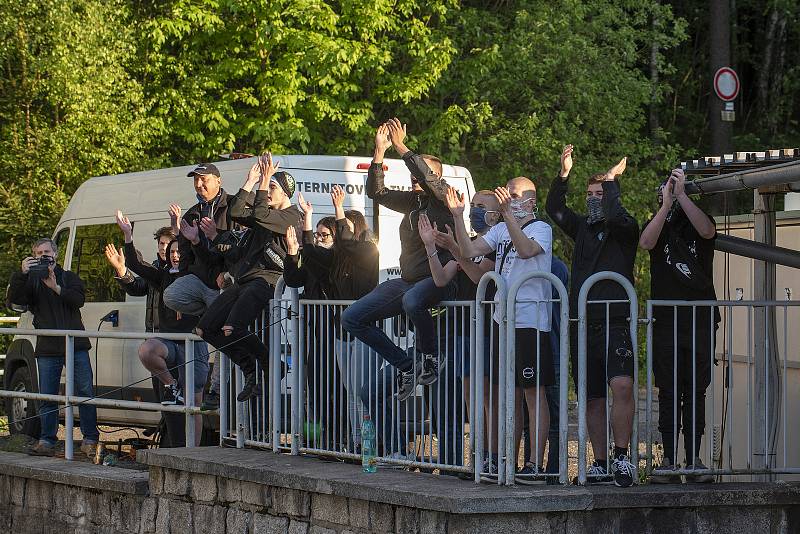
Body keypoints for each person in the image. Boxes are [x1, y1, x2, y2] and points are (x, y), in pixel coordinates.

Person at [448, 178, 554, 484]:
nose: (509, 198)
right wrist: (456, 216)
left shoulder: (540, 229)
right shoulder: (501, 229)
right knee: (512, 393)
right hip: (501, 320)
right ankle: (508, 459)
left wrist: (507, 216)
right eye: (507, 192)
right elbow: (468, 250)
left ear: (531, 202)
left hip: (529, 321)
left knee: (533, 394)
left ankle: (535, 463)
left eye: (516, 195)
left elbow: (525, 250)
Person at [545, 144, 639, 487]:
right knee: (592, 395)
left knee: (623, 385)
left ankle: (622, 457)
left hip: (615, 322)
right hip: (583, 324)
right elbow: (554, 209)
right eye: (590, 194)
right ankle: (599, 462)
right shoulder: (583, 227)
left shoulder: (625, 226)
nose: (594, 199)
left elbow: (615, 216)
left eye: (600, 193)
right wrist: (564, 173)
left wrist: (612, 179)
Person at [341, 119, 456, 401]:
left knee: (413, 301)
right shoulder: (414, 203)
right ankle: (407, 365)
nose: (414, 181)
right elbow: (377, 192)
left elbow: (428, 179)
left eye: (420, 177)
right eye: (412, 178)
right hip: (408, 280)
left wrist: (401, 146)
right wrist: (379, 153)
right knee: (352, 317)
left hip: (437, 278)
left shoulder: (444, 199)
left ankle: (430, 355)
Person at [193, 153, 301, 401]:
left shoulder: (291, 216)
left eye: (273, 187)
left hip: (266, 281)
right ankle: (250, 367)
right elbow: (237, 211)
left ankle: (270, 365)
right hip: (244, 280)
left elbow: (260, 215)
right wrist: (251, 182)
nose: (268, 190)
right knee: (204, 328)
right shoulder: (265, 218)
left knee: (233, 327)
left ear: (285, 193)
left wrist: (263, 183)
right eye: (269, 186)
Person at [639, 168, 719, 484]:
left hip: (698, 320)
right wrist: (665, 206)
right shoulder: (661, 224)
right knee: (669, 390)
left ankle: (694, 459)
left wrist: (682, 196)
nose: (669, 197)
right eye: (664, 193)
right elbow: (646, 242)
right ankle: (670, 460)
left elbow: (708, 232)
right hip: (666, 321)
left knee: (695, 389)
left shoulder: (698, 219)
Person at [109, 211, 210, 445]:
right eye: (170, 252)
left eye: (178, 251)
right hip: (168, 344)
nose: (174, 255)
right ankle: (171, 386)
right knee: (146, 350)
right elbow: (136, 264)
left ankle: (192, 451)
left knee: (193, 404)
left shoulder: (196, 274)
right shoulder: (162, 275)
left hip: (192, 344)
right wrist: (128, 235)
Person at [420, 190, 500, 469]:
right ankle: (478, 457)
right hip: (465, 329)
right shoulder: (470, 243)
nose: (475, 210)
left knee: (487, 395)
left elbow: (480, 276)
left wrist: (456, 247)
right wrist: (430, 247)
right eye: (473, 205)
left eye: (482, 206)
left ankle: (491, 457)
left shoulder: (494, 245)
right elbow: (441, 279)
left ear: (497, 214)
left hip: (489, 328)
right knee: (470, 398)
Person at [8, 238, 99, 458]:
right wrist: (21, 273)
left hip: (75, 344)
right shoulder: (31, 281)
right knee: (47, 395)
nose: (43, 256)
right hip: (48, 346)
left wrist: (56, 287)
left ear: (55, 254)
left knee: (85, 392)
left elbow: (78, 300)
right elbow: (14, 300)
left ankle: (90, 439)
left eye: (46, 252)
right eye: (38, 253)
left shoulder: (69, 277)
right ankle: (47, 440)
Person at [162, 163, 234, 412]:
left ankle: (215, 389)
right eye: (196, 181)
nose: (200, 185)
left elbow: (234, 250)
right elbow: (183, 257)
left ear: (218, 181)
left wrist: (227, 271)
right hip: (201, 280)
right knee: (171, 295)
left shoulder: (232, 207)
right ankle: (206, 313)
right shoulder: (191, 215)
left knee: (225, 336)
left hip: (226, 282)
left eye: (204, 180)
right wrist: (192, 243)